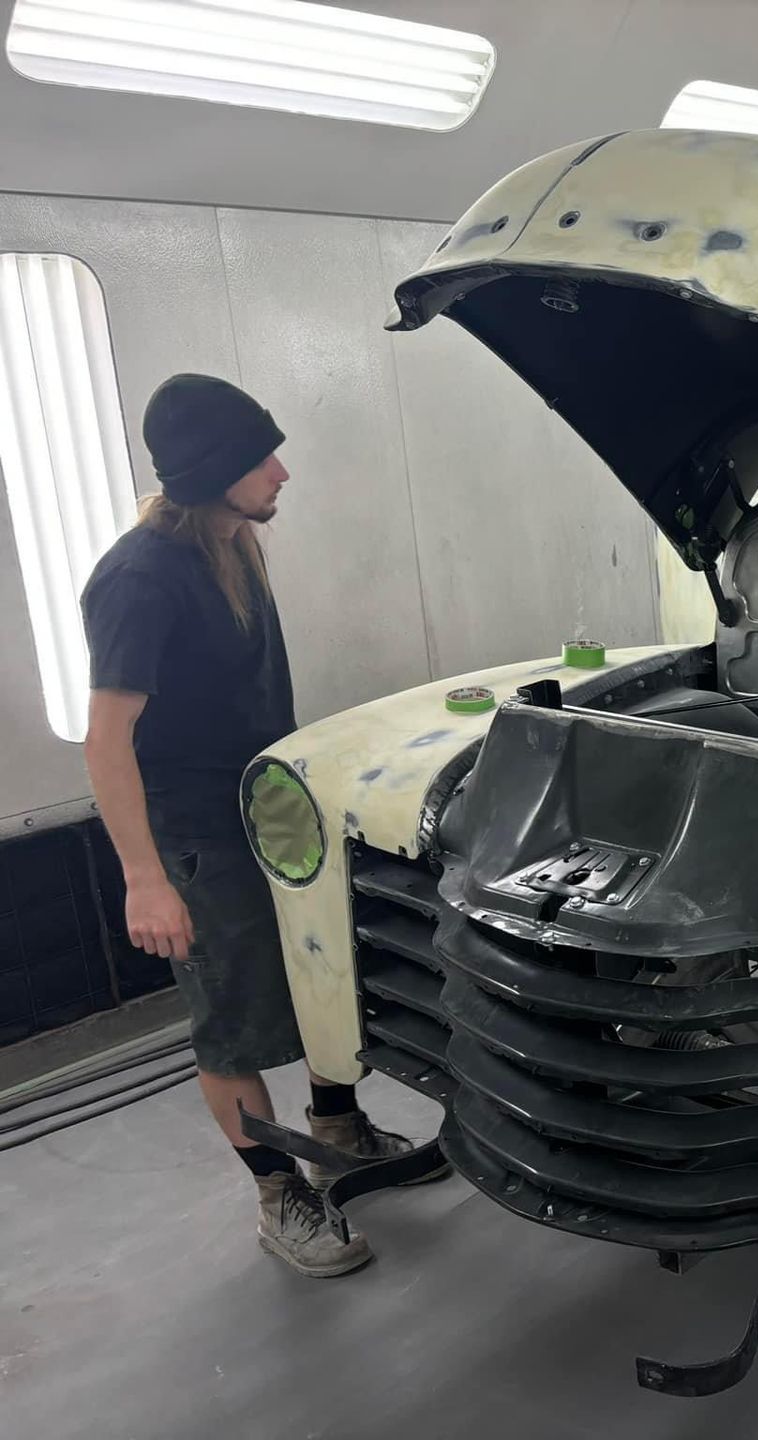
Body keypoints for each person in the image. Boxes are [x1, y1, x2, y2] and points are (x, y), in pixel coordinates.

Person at [80, 374, 444, 1279]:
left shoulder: (233, 542)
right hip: (195, 834)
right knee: (232, 1022)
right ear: (210, 472)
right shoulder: (138, 578)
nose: (281, 471)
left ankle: (337, 1125)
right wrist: (146, 877)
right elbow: (105, 739)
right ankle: (278, 1189)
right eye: (258, 458)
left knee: (326, 972)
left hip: (272, 810)